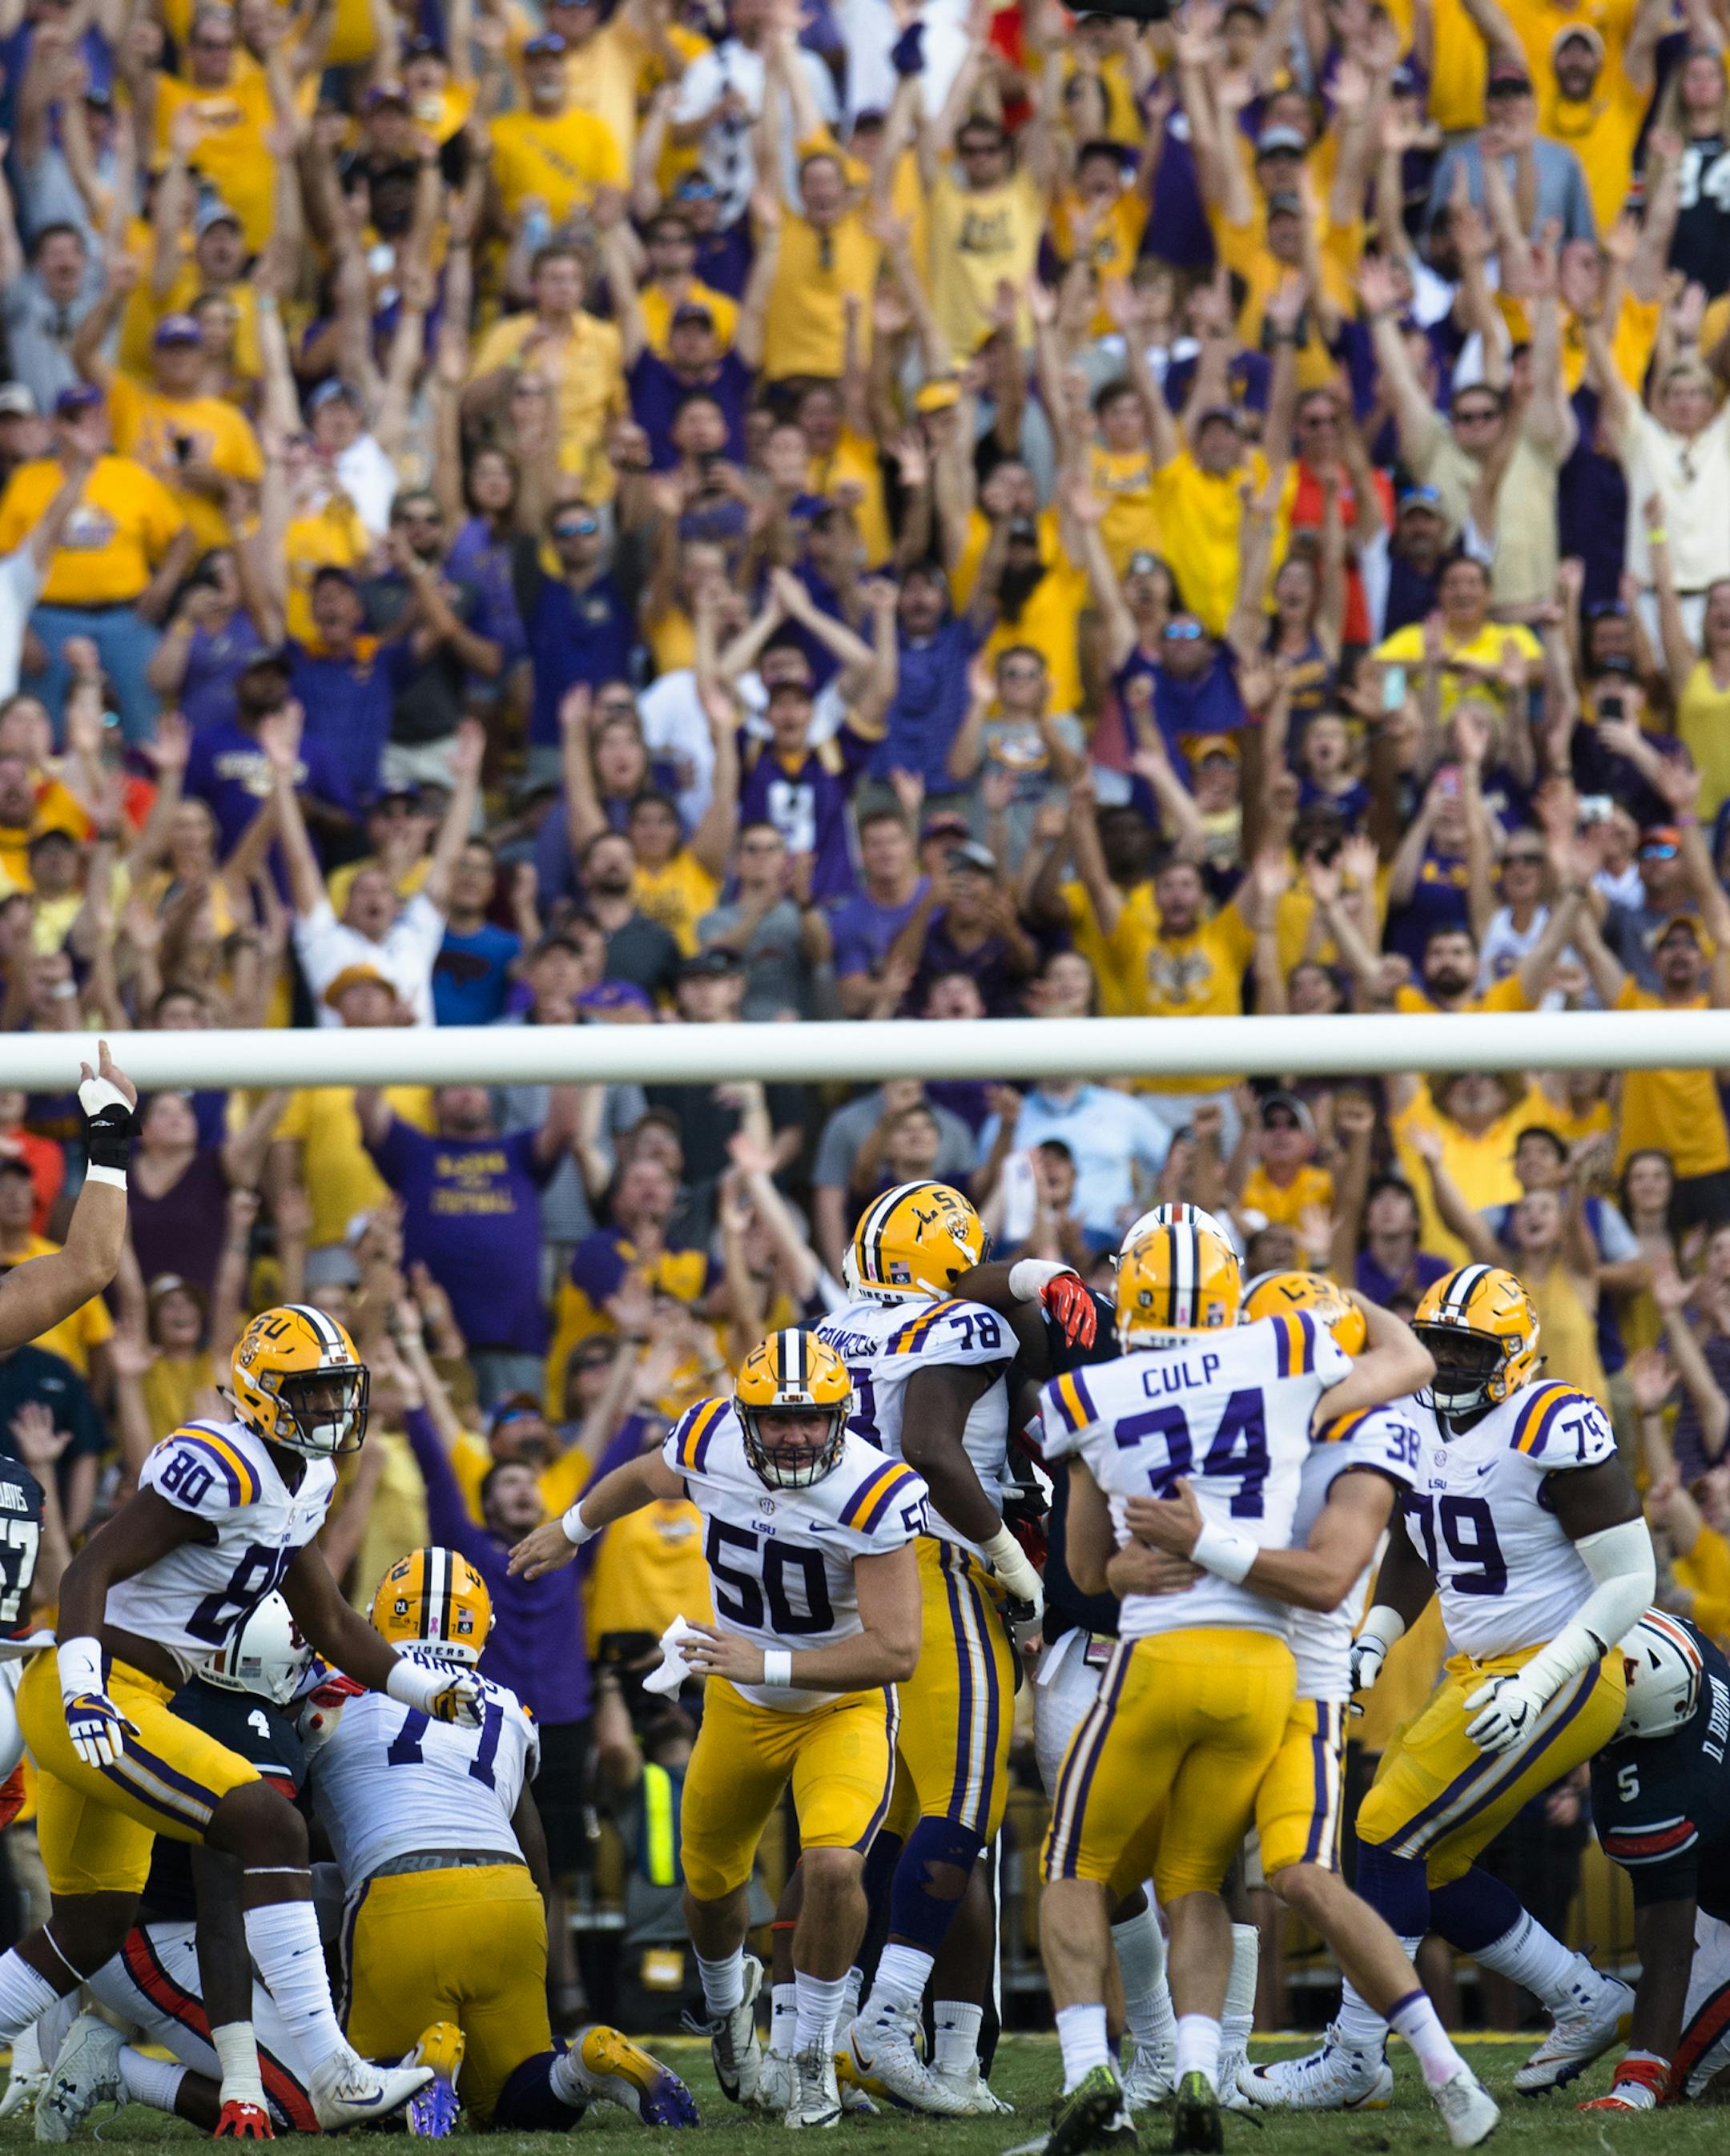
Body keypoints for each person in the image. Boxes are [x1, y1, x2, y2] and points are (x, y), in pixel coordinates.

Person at [0, 1303, 487, 2130]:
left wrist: (422, 1689)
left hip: (133, 1694)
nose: (334, 1409)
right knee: (269, 1825)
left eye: (341, 1390)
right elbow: (90, 1565)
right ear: (261, 1395)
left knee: (90, 1925)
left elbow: (332, 1622)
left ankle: (329, 2070)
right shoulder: (224, 1464)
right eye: (314, 1392)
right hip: (96, 1689)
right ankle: (333, 2068)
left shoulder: (308, 1477)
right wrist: (85, 1686)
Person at [1033, 1218, 1435, 2155]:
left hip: (1151, 1660)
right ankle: (1205, 2070)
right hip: (1273, 1671)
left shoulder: (1086, 1389)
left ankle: (1097, 2062)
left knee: (1073, 1866)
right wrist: (1333, 1284)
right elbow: (1409, 1357)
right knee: (1213, 1877)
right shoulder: (1283, 1353)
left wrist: (1130, 1572)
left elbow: (1087, 1569)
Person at [1114, 1271, 1499, 2142]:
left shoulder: (1356, 1427)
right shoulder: (1247, 1414)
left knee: (1299, 1877)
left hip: (1302, 1690)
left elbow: (1327, 1582)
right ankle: (1202, 2070)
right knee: (1184, 1876)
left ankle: (1442, 2064)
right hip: (1218, 1666)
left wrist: (1199, 1541)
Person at [512, 1329, 924, 2129]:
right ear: (745, 1416)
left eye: (813, 1418)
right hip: (741, 1705)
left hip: (839, 1705)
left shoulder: (873, 1491)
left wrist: (760, 1660)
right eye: (777, 1418)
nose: (798, 1433)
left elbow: (895, 1650)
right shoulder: (709, 1439)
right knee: (708, 1889)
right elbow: (641, 1476)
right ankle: (731, 2013)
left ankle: (809, 2053)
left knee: (835, 1866)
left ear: (841, 1416)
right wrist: (570, 1531)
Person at [1306, 1264, 1653, 2102]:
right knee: (1424, 1862)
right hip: (1476, 1671)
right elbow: (1421, 1540)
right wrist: (1375, 1640)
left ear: (1517, 1352)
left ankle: (1356, 2052)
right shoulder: (1411, 1417)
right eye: (1441, 1346)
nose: (1453, 1364)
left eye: (1471, 1349)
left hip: (1562, 1665)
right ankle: (1583, 1995)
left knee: (1385, 1829)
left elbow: (1631, 1578)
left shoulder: (1551, 1419)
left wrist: (1540, 1682)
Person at [308, 1543, 696, 2132]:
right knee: (519, 2100)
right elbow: (530, 1832)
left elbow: (299, 1820)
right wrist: (536, 1923)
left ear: (373, 1617)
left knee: (361, 2097)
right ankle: (585, 2067)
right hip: (509, 1898)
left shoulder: (326, 1691)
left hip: (400, 1896)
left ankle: (421, 2061)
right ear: (481, 1632)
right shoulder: (508, 1707)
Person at [812, 1185, 1049, 2115]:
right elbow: (933, 1450)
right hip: (936, 1565)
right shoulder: (961, 1327)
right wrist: (1012, 1567)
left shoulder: (832, 1331)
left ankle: (879, 2041)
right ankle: (883, 2022)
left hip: (843, 1574)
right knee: (962, 1808)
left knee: (893, 1822)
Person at [1585, 1611, 1730, 2110]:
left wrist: (1638, 2079)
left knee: (1677, 2079)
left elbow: (1669, 1955)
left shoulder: (1662, 1803)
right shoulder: (1687, 1645)